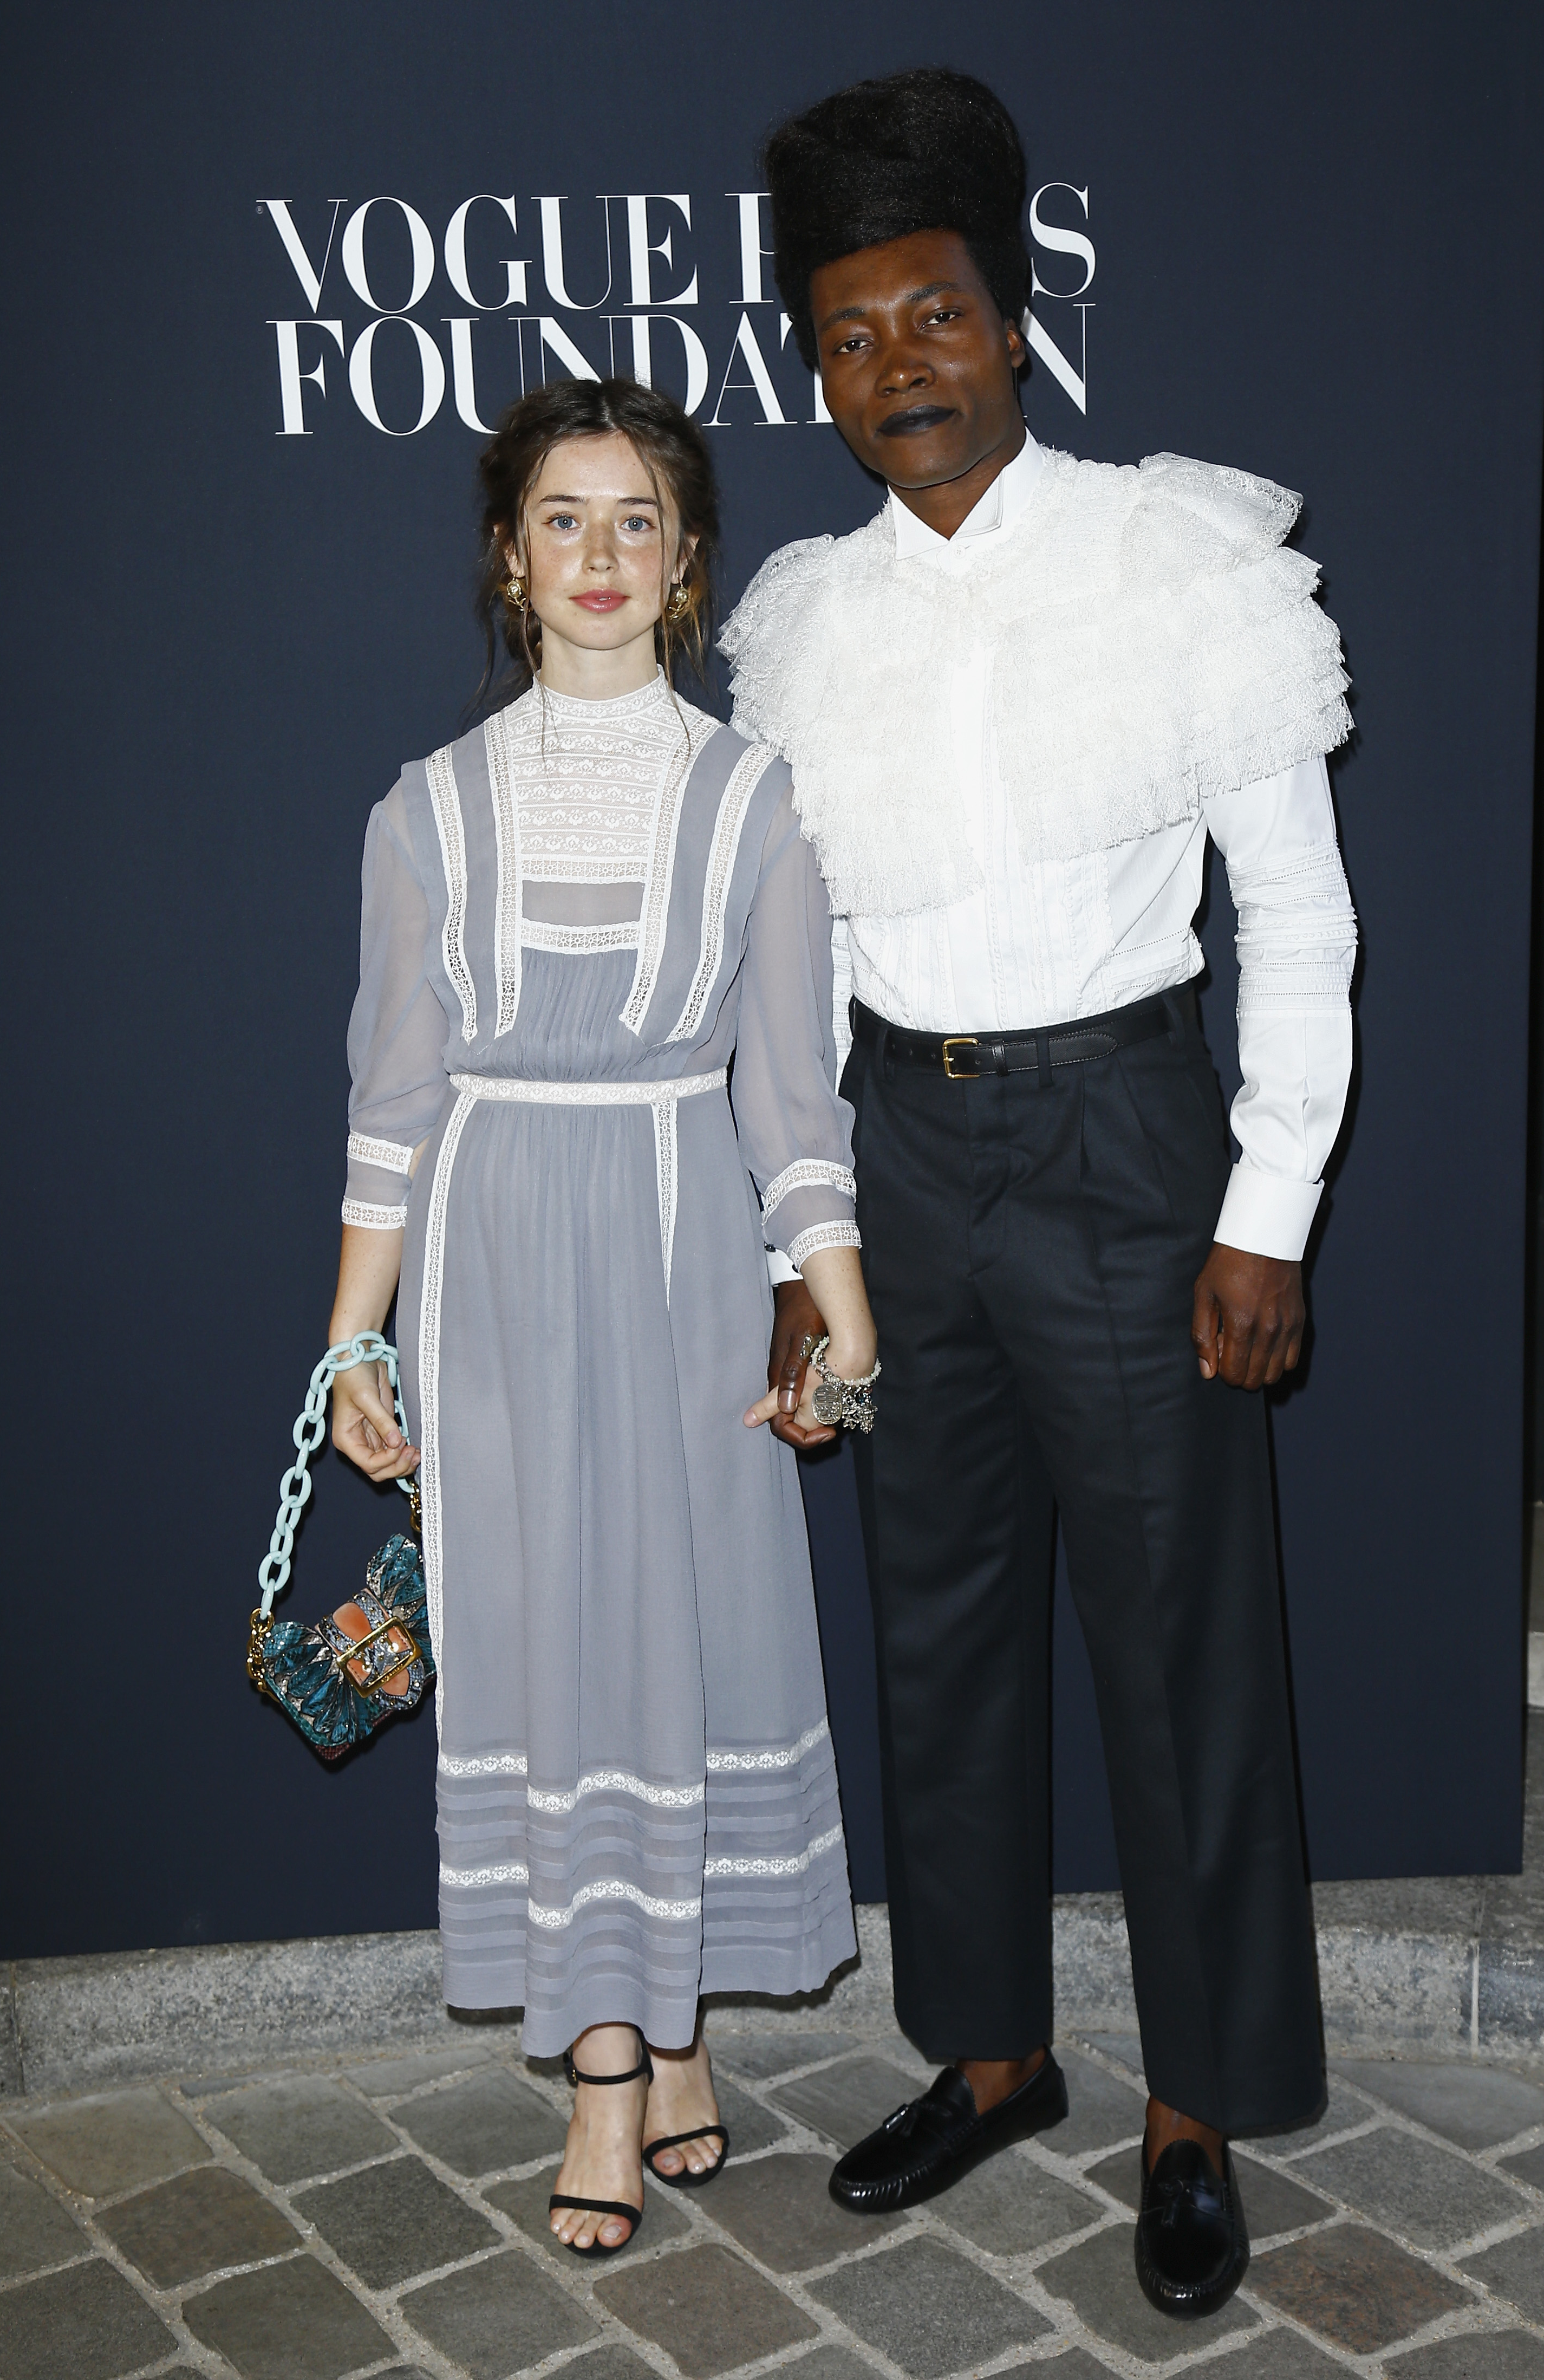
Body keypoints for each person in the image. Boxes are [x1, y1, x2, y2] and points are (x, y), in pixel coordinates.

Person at [726, 68, 1357, 2319]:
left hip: (1126, 1146)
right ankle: (991, 2054)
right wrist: (806, 1241)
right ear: (819, 374)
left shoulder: (1177, 561)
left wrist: (1267, 1203)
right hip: (898, 1158)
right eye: (848, 335)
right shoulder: (800, 621)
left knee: (1182, 1645)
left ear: (1010, 322)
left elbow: (1298, 905)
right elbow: (788, 966)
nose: (895, 363)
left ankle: (1196, 2103)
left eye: (932, 314)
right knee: (938, 1623)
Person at [325, 376, 876, 2258]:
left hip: (679, 1260)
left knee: (684, 1648)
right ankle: (612, 2066)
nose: (598, 554)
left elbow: (790, 1098)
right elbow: (391, 1104)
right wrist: (352, 1343)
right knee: (551, 1664)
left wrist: (840, 1319)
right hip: (489, 1275)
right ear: (509, 555)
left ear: (687, 559)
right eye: (562, 518)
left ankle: (668, 2018)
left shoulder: (752, 799)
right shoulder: (426, 808)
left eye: (636, 519)